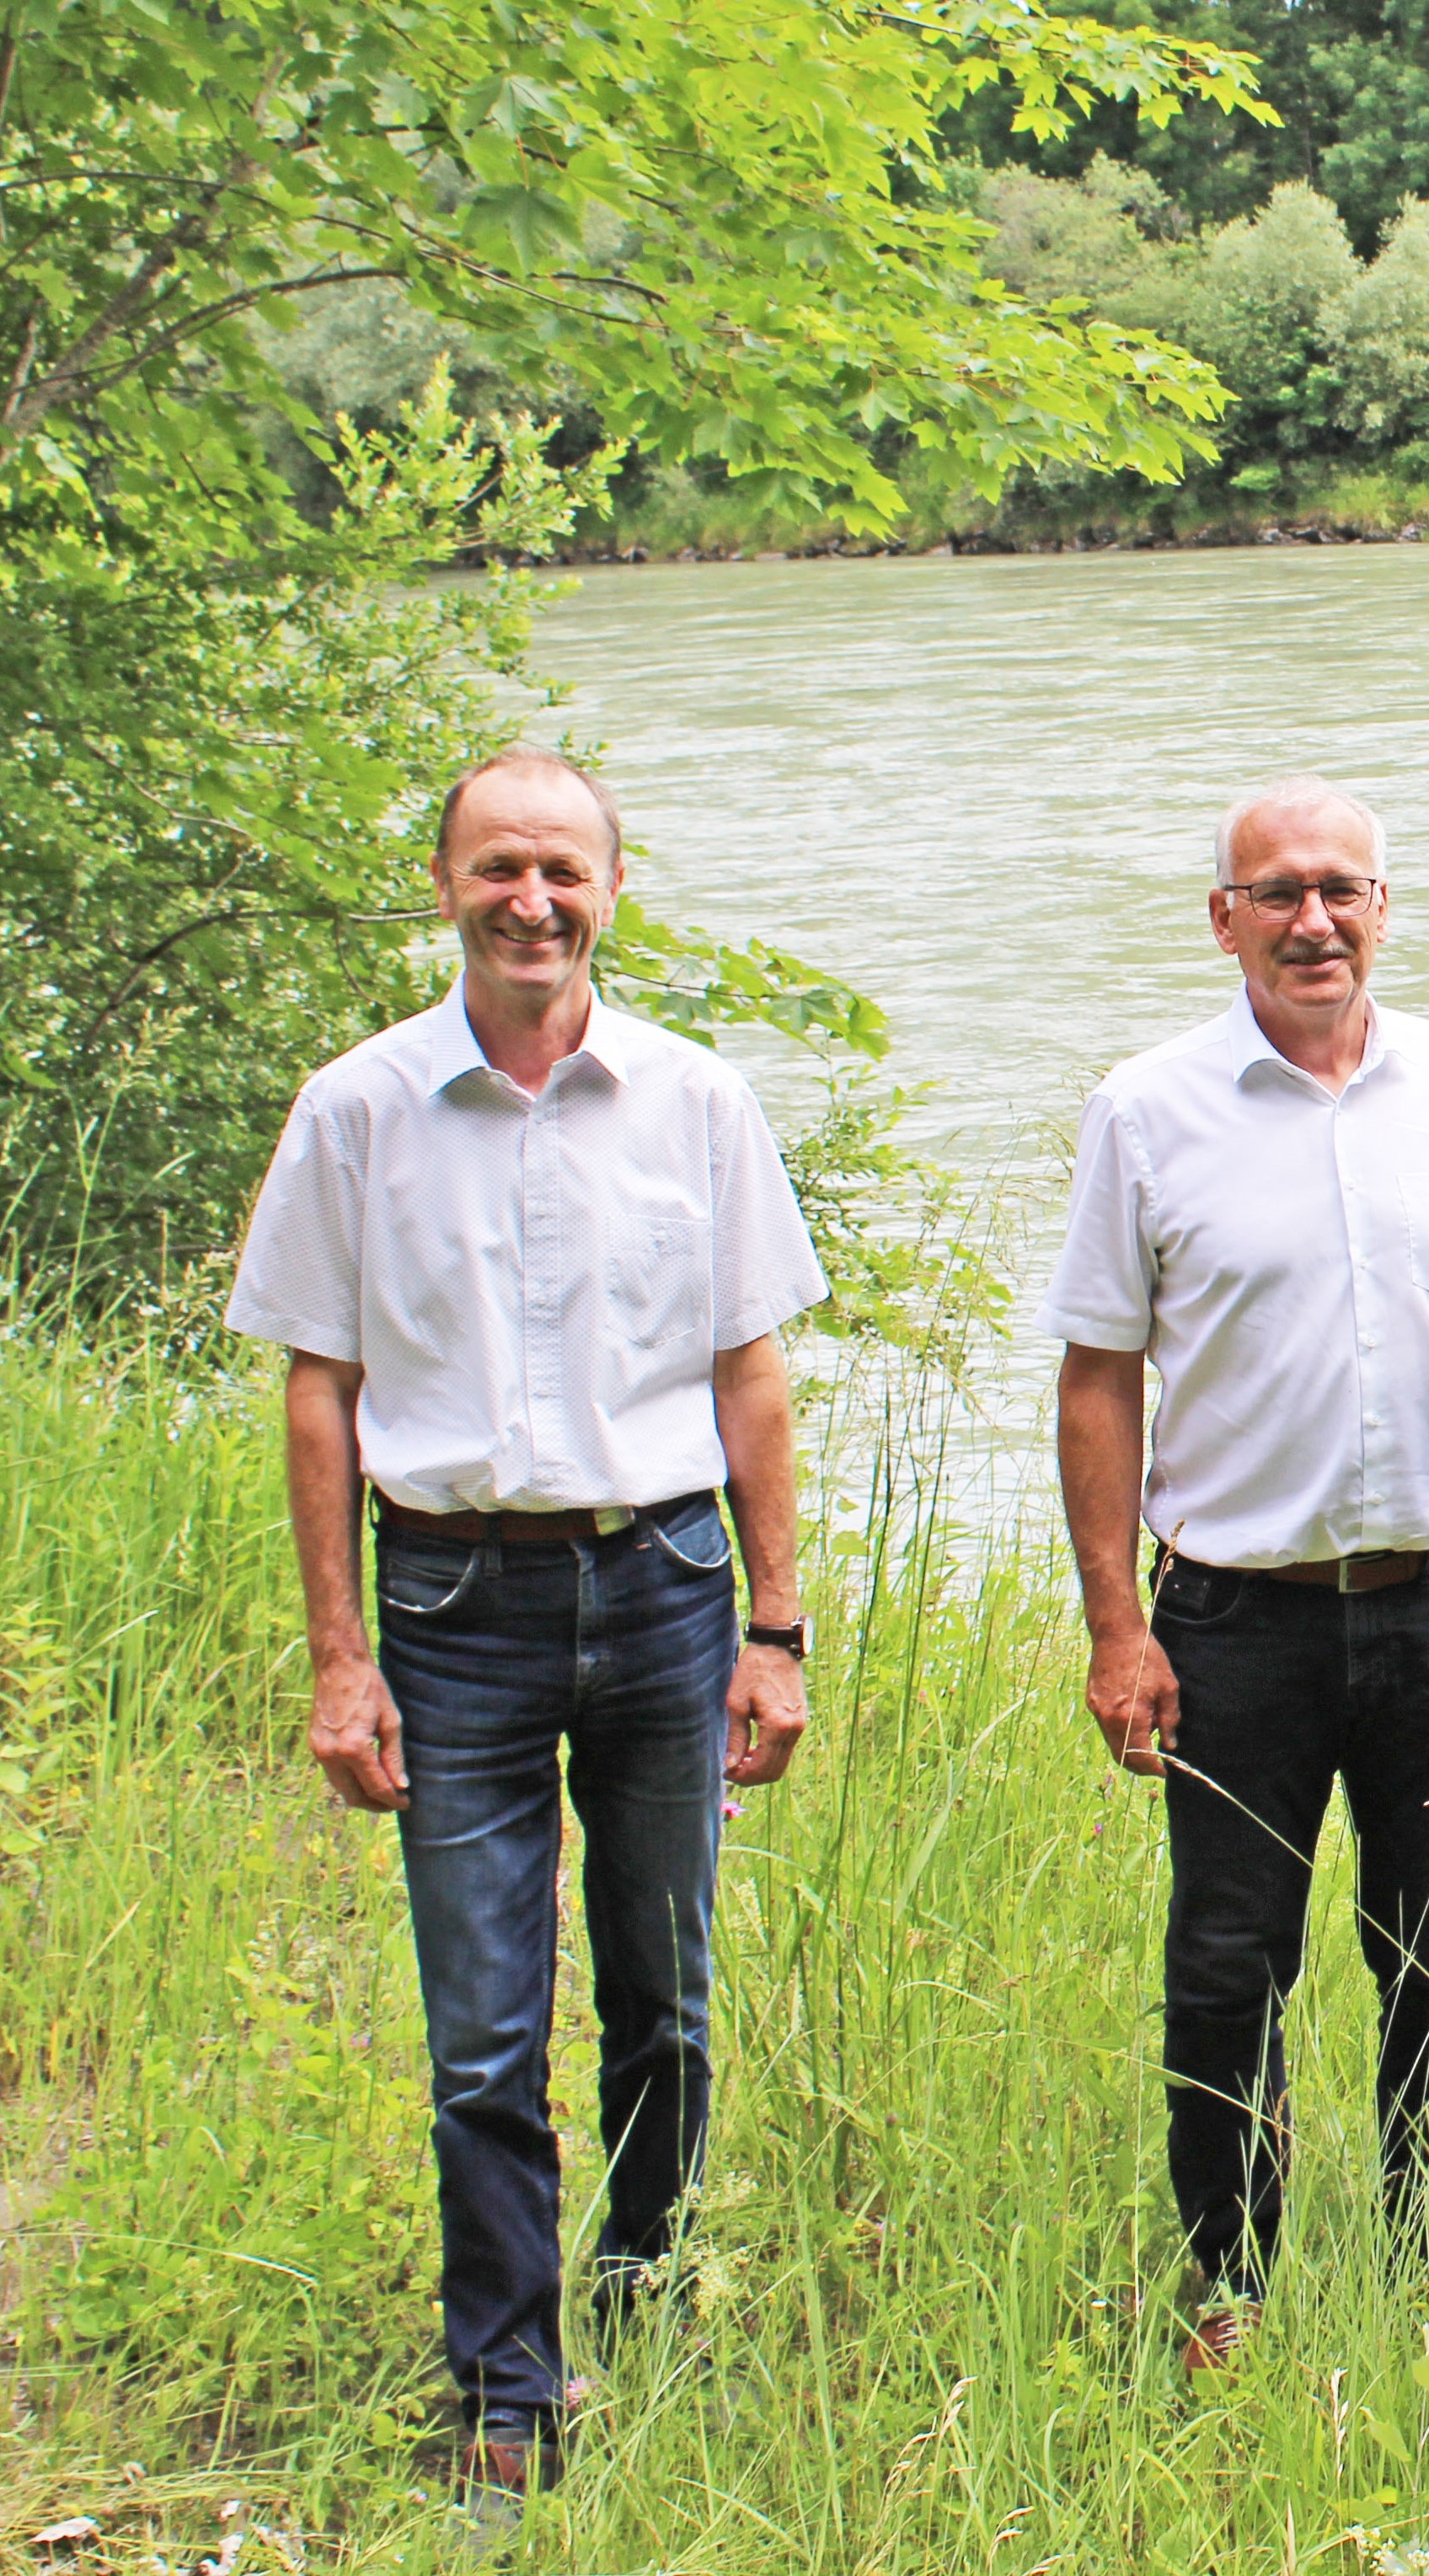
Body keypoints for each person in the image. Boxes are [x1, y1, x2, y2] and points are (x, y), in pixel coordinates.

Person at [225, 747, 829, 2504]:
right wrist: (342, 1656)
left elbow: (749, 1371)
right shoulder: (356, 1110)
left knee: (668, 1993)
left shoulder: (697, 1100)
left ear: (613, 890)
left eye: (563, 868)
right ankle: (507, 2374)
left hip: (661, 1582)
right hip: (451, 1600)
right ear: (444, 887)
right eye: (498, 867)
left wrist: (774, 1625)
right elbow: (321, 1392)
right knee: (483, 2022)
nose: (532, 900)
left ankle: (648, 2270)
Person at [1044, 775, 1429, 2369]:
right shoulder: (1146, 1110)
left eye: (1344, 888)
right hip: (1233, 1618)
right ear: (1225, 920)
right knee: (1226, 1961)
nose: (1314, 919)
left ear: (1385, 907)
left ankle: (1427, 2269)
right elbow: (1098, 1377)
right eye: (1277, 892)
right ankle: (1231, 2280)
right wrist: (1115, 1624)